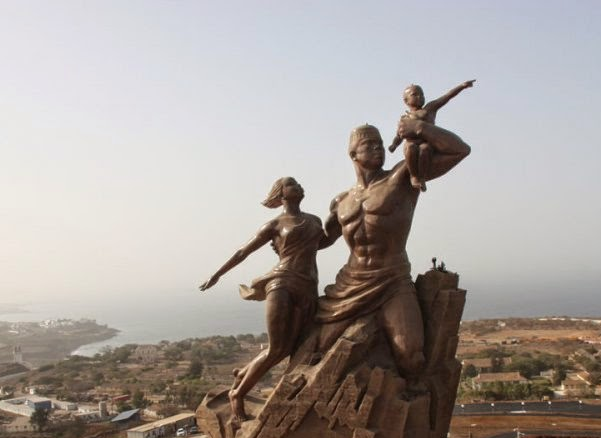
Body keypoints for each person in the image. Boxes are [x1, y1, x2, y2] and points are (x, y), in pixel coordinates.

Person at [317, 113, 471, 382]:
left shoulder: (402, 176)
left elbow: (459, 150)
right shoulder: (341, 201)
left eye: (380, 143)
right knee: (318, 350)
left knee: (411, 357)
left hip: (392, 280)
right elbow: (320, 241)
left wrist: (420, 127)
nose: (378, 148)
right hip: (350, 283)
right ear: (353, 154)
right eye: (370, 144)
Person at [200, 177, 327, 420]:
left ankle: (243, 373)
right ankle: (237, 395)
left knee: (292, 348)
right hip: (282, 283)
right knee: (278, 348)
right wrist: (216, 275)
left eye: (299, 183)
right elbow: (242, 252)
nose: (299, 186)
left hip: (309, 287)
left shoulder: (314, 221)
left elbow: (324, 241)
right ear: (281, 195)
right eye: (292, 184)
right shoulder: (275, 224)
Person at [387, 80, 475, 191]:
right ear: (406, 100)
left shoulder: (429, 109)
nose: (420, 97)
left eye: (422, 94)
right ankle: (414, 176)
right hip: (411, 143)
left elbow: (446, 97)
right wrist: (394, 145)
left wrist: (461, 87)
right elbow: (399, 135)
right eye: (415, 94)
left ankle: (422, 177)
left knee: (425, 149)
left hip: (426, 143)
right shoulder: (405, 118)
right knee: (410, 147)